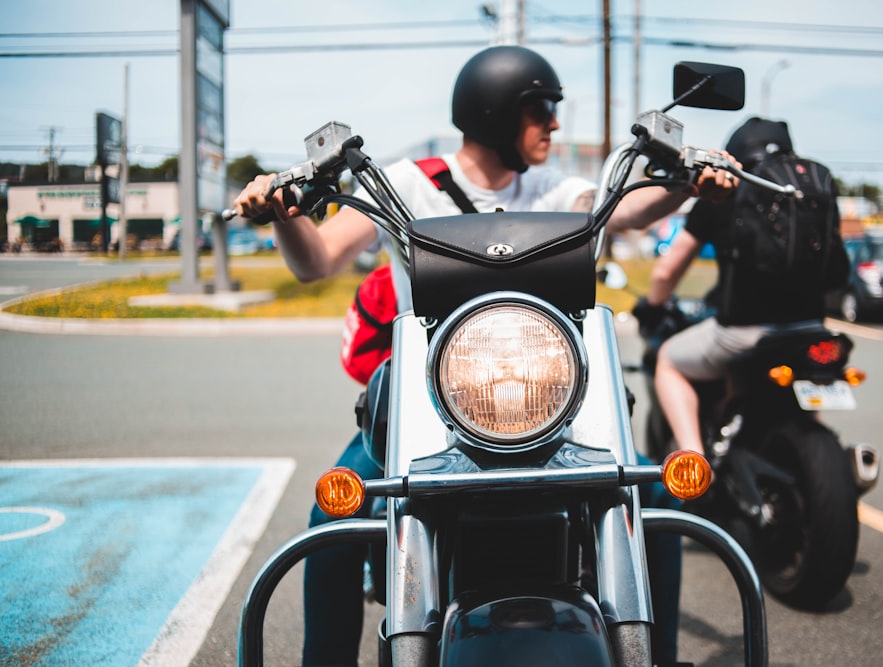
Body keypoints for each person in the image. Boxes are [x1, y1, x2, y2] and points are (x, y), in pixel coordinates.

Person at [232, 45, 738, 667]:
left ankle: (655, 656)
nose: (554, 123)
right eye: (541, 109)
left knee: (652, 497)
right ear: (497, 112)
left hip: (554, 394)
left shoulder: (558, 187)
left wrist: (687, 186)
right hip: (429, 398)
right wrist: (281, 215)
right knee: (333, 518)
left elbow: (628, 210)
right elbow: (317, 260)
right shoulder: (407, 183)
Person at [638, 116, 848, 457]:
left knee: (669, 361)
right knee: (805, 382)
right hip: (811, 330)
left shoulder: (723, 190)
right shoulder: (808, 190)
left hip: (743, 334)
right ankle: (811, 435)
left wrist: (653, 305)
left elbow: (667, 271)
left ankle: (694, 463)